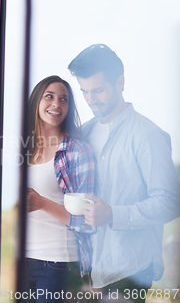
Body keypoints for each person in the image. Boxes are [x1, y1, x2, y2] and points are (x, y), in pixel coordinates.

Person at [68, 44, 180, 302]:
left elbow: (170, 202)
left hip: (129, 270)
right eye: (84, 91)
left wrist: (113, 214)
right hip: (86, 271)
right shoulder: (83, 134)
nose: (91, 99)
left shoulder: (148, 135)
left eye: (98, 90)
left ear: (120, 82)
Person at [24, 75, 96, 302]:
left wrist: (42, 204)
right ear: (36, 102)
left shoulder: (78, 152)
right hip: (23, 260)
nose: (56, 104)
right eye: (49, 96)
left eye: (63, 99)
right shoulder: (22, 149)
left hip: (58, 264)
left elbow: (87, 220)